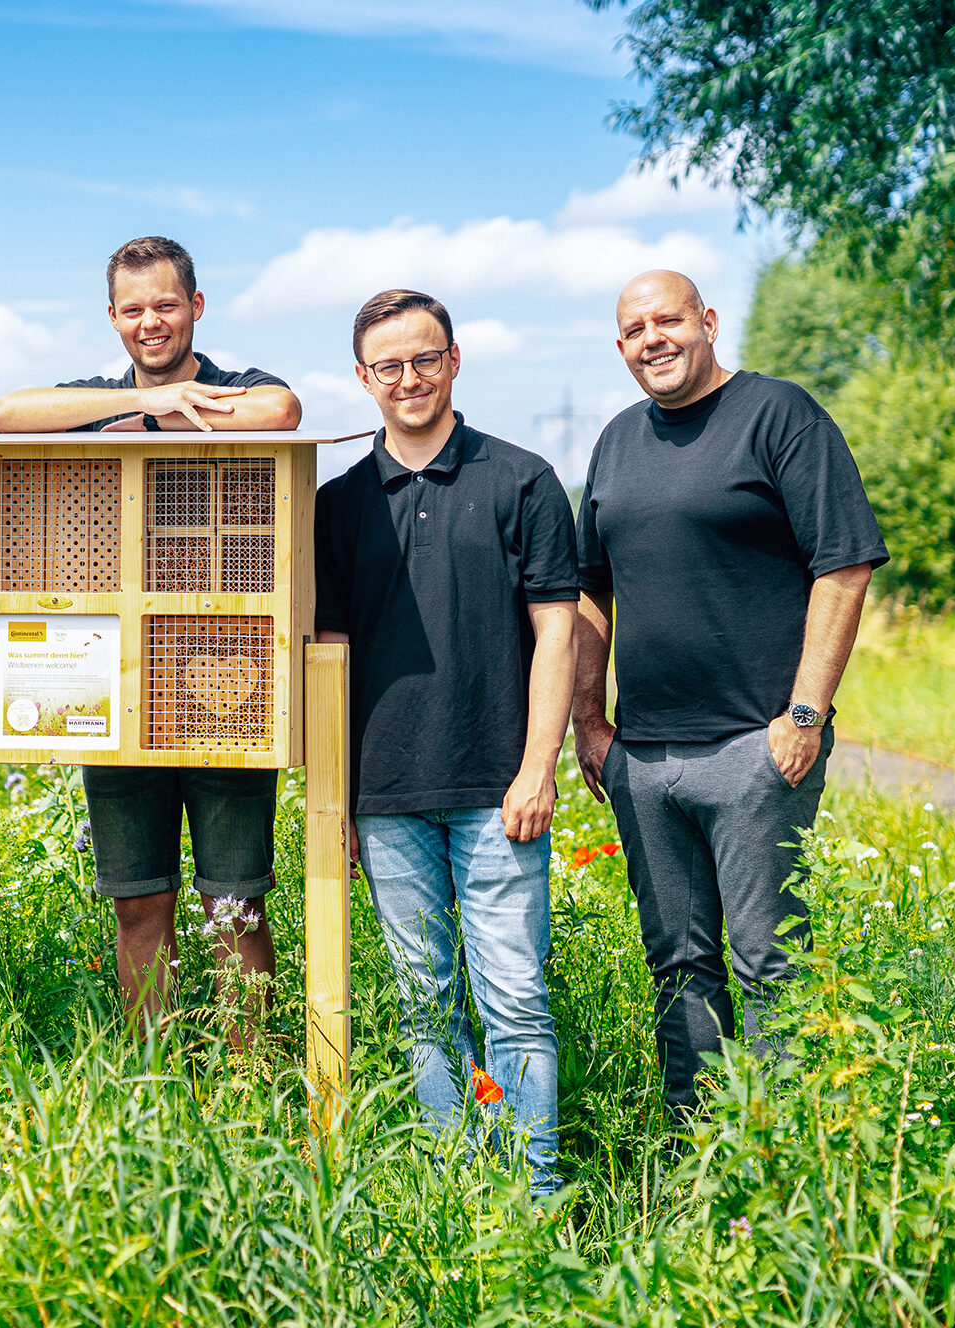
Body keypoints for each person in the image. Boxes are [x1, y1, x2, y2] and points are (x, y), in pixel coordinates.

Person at [571, 269, 886, 1124]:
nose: (652, 340)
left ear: (706, 321)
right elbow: (588, 591)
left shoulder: (779, 415)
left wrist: (806, 716)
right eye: (634, 329)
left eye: (667, 320)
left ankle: (782, 1160)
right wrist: (589, 720)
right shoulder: (615, 441)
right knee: (678, 967)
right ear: (622, 347)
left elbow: (844, 563)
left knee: (771, 966)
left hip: (756, 749)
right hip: (644, 759)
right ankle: (699, 1153)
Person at [0, 236, 303, 1037]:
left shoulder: (240, 389)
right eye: (132, 310)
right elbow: (7, 414)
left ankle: (248, 1077)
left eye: (165, 305)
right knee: (138, 905)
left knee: (235, 905)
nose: (150, 323)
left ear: (196, 306)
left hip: (227, 678)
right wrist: (142, 411)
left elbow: (282, 411)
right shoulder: (92, 399)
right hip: (116, 682)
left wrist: (183, 400)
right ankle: (154, 1081)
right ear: (111, 318)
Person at [314, 289, 575, 1195]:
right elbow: (330, 662)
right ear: (363, 379)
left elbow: (559, 633)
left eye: (425, 359)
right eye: (388, 365)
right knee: (427, 1009)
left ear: (455, 361)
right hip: (385, 797)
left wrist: (538, 767)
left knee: (515, 1002)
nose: (409, 378)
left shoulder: (522, 480)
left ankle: (532, 1194)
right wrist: (335, 796)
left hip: (500, 787)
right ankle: (460, 1187)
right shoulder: (338, 505)